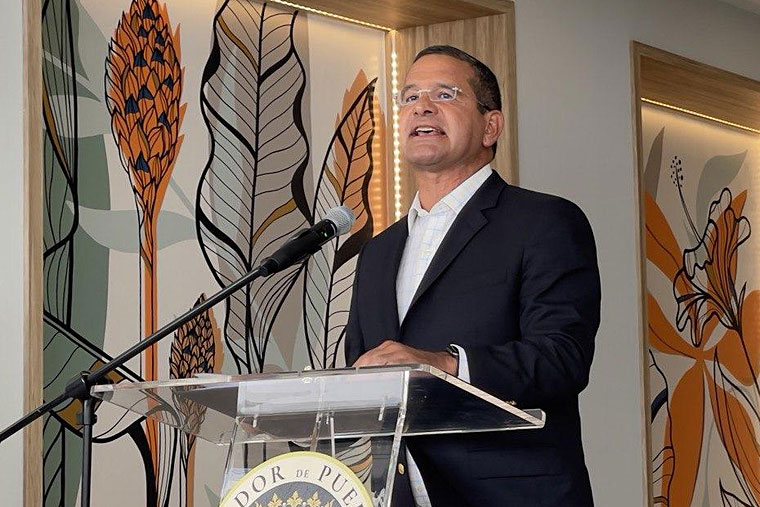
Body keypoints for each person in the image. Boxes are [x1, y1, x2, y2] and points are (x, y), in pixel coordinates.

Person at [344, 45, 600, 506]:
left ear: (491, 126)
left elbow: (562, 356)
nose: (421, 106)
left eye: (445, 94)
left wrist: (444, 365)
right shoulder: (377, 253)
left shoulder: (545, 221)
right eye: (410, 97)